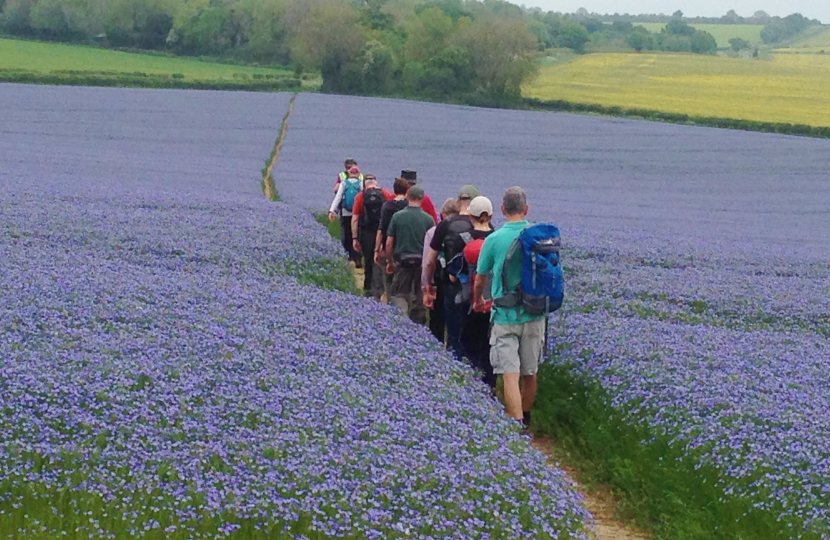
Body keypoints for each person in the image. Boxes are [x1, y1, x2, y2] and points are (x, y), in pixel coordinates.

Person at [473, 187, 542, 428]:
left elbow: (480, 278)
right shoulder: (539, 237)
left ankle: (516, 424)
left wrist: (478, 300)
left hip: (504, 315)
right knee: (530, 372)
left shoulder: (494, 239)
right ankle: (527, 420)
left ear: (502, 210)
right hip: (535, 314)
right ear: (526, 209)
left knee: (510, 374)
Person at [423, 184, 481, 361]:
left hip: (451, 285)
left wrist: (428, 284)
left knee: (453, 331)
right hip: (476, 288)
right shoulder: (483, 226)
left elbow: (430, 261)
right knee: (473, 335)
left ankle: (453, 363)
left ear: (457, 203)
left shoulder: (445, 225)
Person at [461, 196, 496, 389]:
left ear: (470, 216)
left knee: (469, 345)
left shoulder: (464, 238)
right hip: (495, 302)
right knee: (490, 346)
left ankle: (470, 384)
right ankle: (489, 386)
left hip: (470, 300)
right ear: (491, 215)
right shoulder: (498, 238)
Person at [385, 185, 434, 324]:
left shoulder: (397, 217)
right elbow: (432, 246)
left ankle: (400, 322)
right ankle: (418, 325)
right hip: (420, 264)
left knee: (399, 294)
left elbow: (389, 243)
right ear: (422, 199)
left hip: (402, 262)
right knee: (419, 296)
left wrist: (390, 262)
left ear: (407, 196)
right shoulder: (428, 219)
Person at [422, 198, 459, 344]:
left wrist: (426, 285)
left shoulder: (433, 232)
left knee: (437, 320)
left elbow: (428, 262)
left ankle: (435, 349)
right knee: (454, 322)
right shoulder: (465, 229)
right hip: (457, 282)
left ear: (443, 214)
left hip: (438, 281)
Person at [351, 174, 393, 299]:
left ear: (364, 184)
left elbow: (355, 219)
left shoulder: (360, 196)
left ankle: (368, 291)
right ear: (376, 182)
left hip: (366, 233)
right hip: (382, 233)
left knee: (368, 262)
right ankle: (380, 291)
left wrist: (355, 238)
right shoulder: (385, 193)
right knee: (380, 262)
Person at [375, 177, 411, 297]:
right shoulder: (408, 206)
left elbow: (381, 230)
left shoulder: (387, 206)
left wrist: (377, 249)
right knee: (404, 285)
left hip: (388, 247)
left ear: (394, 189)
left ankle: (390, 301)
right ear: (407, 190)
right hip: (405, 249)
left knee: (388, 280)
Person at [328, 165, 363, 266]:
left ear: (349, 173)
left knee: (346, 234)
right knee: (356, 235)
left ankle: (348, 257)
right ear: (358, 174)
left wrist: (332, 211)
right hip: (357, 214)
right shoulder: (360, 183)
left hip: (345, 213)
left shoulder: (344, 183)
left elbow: (338, 197)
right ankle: (357, 258)